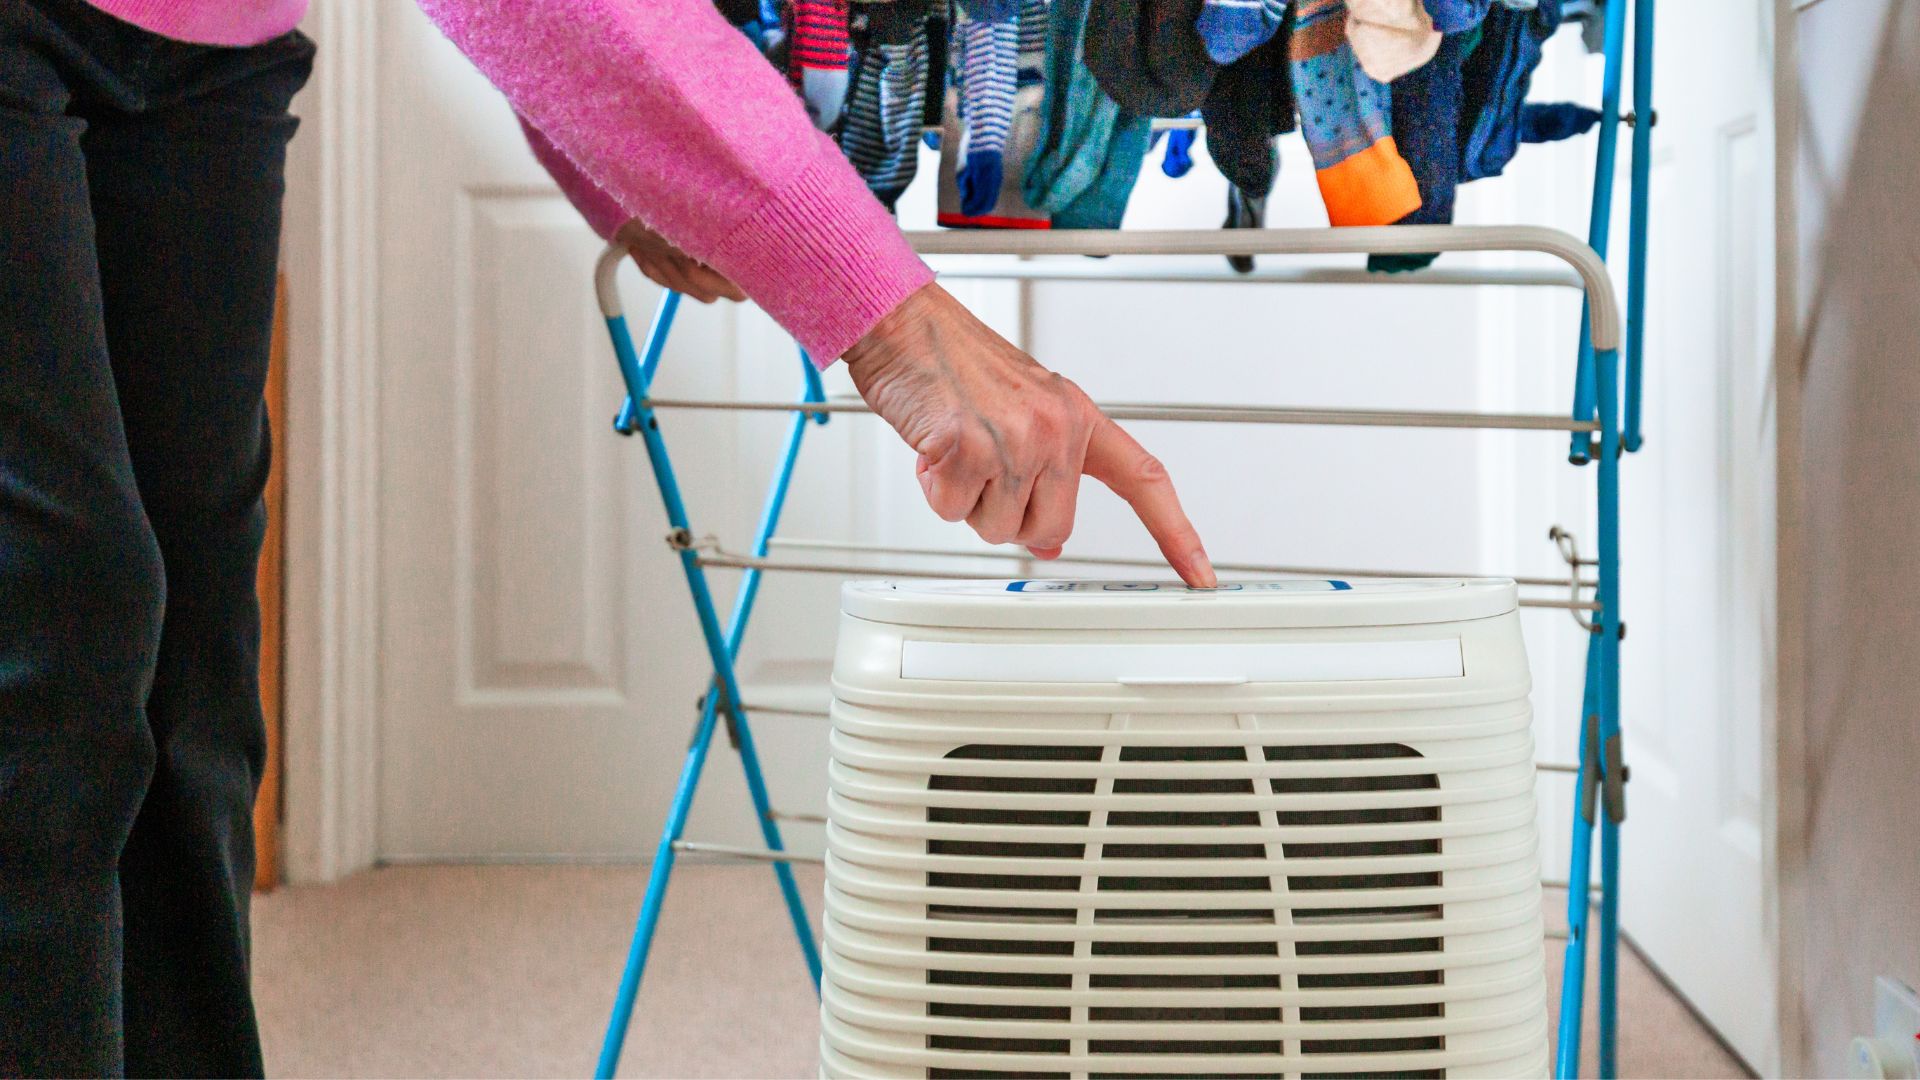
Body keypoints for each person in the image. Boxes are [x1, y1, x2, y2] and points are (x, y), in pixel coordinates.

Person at [0, 0, 1215, 1074]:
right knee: (62, 619)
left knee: (190, 671)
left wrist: (637, 173)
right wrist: (894, 325)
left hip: (211, 47)